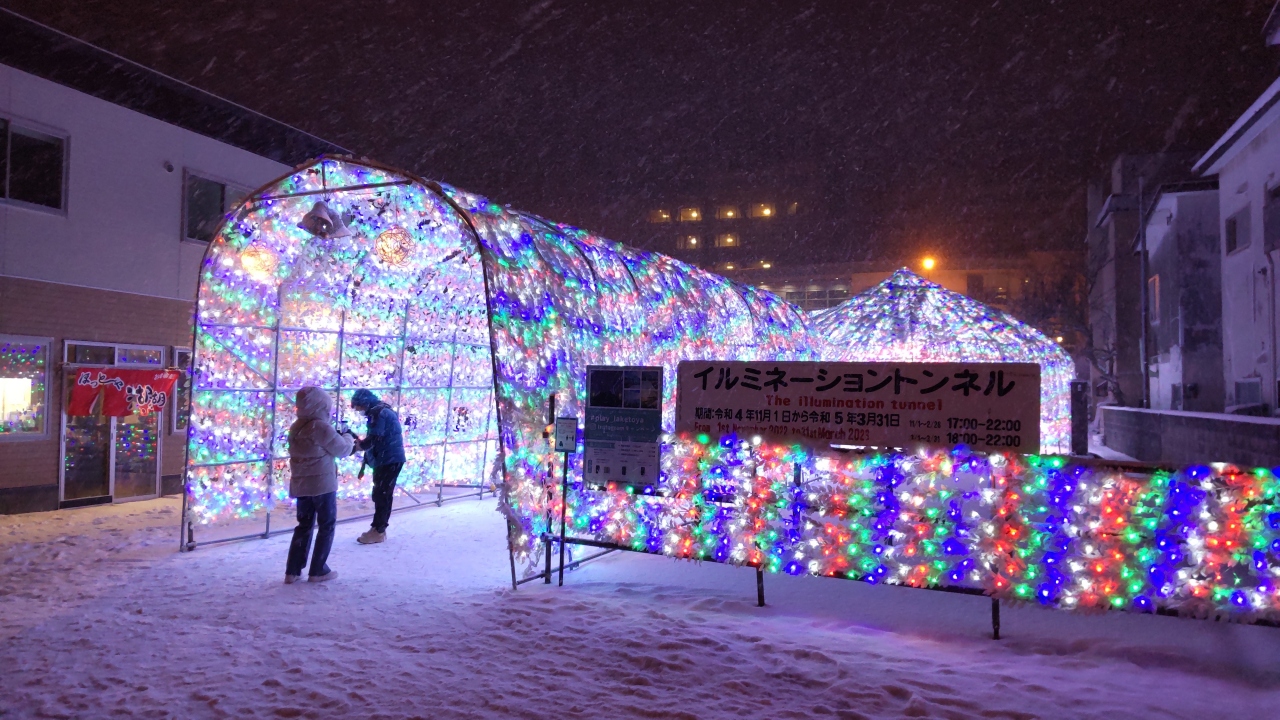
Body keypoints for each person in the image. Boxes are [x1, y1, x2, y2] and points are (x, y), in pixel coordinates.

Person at [285, 386, 355, 583]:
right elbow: (342, 449)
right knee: (326, 525)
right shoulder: (320, 427)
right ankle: (318, 569)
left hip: (301, 484)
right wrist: (348, 436)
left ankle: (292, 570)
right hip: (322, 484)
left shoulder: (296, 427)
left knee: (303, 526)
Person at [350, 389, 405, 545]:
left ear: (365, 403)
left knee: (382, 495)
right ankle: (378, 529)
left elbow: (375, 438)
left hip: (388, 458)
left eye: (359, 407)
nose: (359, 411)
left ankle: (378, 530)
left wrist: (359, 446)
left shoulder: (377, 413)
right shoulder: (382, 409)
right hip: (390, 457)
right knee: (382, 494)